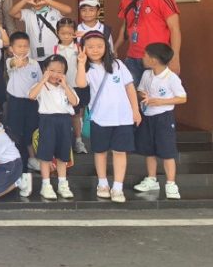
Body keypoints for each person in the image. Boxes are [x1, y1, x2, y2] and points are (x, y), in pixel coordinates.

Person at [76, 31, 141, 203]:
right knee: (100, 152)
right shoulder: (87, 69)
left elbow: (129, 87)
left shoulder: (118, 64)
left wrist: (135, 110)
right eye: (90, 47)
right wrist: (81, 63)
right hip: (100, 117)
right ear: (83, 49)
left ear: (106, 47)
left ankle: (118, 187)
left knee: (120, 152)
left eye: (99, 46)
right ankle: (103, 184)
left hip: (123, 117)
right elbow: (81, 84)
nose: (95, 50)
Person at [114, 0, 181, 87]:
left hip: (157, 58)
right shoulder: (125, 0)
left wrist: (175, 58)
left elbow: (175, 29)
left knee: (157, 95)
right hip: (132, 58)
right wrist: (115, 47)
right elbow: (125, 26)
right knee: (131, 95)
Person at [134, 42, 187, 199]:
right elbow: (140, 90)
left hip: (164, 118)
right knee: (149, 150)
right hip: (147, 116)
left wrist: (160, 101)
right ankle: (152, 179)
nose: (143, 57)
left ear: (154, 60)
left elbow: (182, 98)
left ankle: (171, 184)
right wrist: (143, 96)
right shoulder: (147, 74)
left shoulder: (171, 77)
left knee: (167, 151)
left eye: (145, 55)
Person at [29, 54, 79, 200]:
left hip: (64, 121)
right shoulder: (41, 86)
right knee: (45, 155)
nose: (55, 74)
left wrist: (65, 86)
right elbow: (31, 96)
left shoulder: (66, 88)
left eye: (59, 72)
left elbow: (75, 102)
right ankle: (46, 185)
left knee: (63, 155)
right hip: (47, 121)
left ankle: (62, 184)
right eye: (51, 70)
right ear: (45, 70)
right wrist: (43, 80)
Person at [6, 32, 43, 173]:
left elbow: (40, 82)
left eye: (25, 46)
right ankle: (16, 161)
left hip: (32, 103)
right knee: (15, 131)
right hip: (15, 103)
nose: (23, 49)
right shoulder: (10, 61)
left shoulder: (34, 64)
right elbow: (13, 64)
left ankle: (32, 159)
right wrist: (17, 62)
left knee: (31, 130)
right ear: (11, 48)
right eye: (19, 46)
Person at [9, 0, 73, 66]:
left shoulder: (55, 12)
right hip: (33, 56)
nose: (37, 1)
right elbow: (12, 13)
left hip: (53, 55)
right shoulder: (28, 13)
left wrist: (47, 1)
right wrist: (25, 0)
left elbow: (68, 10)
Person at [52, 18, 88, 154]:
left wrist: (83, 37)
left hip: (76, 85)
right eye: (63, 33)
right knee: (62, 114)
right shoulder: (55, 48)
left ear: (75, 32)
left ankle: (78, 140)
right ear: (57, 33)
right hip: (60, 87)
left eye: (70, 33)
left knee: (76, 114)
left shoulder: (80, 46)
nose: (66, 36)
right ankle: (64, 142)